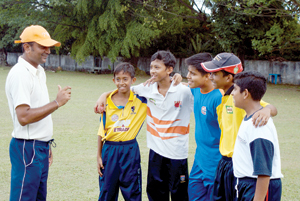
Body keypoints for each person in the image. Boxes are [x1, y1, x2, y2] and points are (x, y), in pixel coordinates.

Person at [95, 50, 194, 201]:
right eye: (151, 67)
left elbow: (204, 89)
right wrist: (103, 95)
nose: (152, 71)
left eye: (157, 67)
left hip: (177, 155)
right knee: (155, 194)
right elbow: (123, 88)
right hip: (156, 153)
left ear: (169, 70)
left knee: (179, 194)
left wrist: (183, 79)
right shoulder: (147, 88)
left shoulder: (184, 91)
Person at [5, 25, 71, 201]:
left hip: (39, 147)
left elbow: (37, 107)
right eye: (43, 46)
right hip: (27, 148)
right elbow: (24, 116)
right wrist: (57, 103)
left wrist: (45, 142)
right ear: (27, 47)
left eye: (48, 46)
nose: (48, 51)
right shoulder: (20, 74)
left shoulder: (38, 71)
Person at [201, 53, 277, 201]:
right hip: (224, 163)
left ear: (228, 78)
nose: (210, 77)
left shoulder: (241, 99)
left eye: (214, 74)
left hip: (237, 164)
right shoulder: (224, 97)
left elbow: (270, 107)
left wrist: (267, 110)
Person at [96, 62, 147, 201]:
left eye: (125, 79)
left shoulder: (142, 100)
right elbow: (102, 129)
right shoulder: (106, 101)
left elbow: (158, 86)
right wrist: (98, 155)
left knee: (133, 193)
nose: (121, 83)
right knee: (107, 192)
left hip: (129, 150)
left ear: (133, 81)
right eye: (118, 79)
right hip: (109, 150)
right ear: (113, 81)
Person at [232, 71, 283, 201]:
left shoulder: (258, 125)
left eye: (235, 89)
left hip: (257, 186)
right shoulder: (251, 118)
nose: (232, 93)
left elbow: (264, 172)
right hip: (247, 183)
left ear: (245, 94)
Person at [183, 53, 223, 201]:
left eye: (192, 73)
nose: (188, 76)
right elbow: (178, 85)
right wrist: (105, 95)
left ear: (208, 75)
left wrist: (268, 109)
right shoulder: (196, 89)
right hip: (199, 159)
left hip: (215, 162)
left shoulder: (219, 98)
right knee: (194, 196)